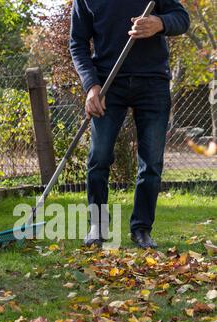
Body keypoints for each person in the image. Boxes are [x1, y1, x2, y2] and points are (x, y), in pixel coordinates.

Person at [69, 0, 190, 248]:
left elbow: (181, 18)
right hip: (107, 86)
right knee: (99, 157)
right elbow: (77, 44)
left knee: (151, 163)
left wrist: (160, 23)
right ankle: (98, 227)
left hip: (153, 82)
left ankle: (141, 229)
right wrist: (90, 86)